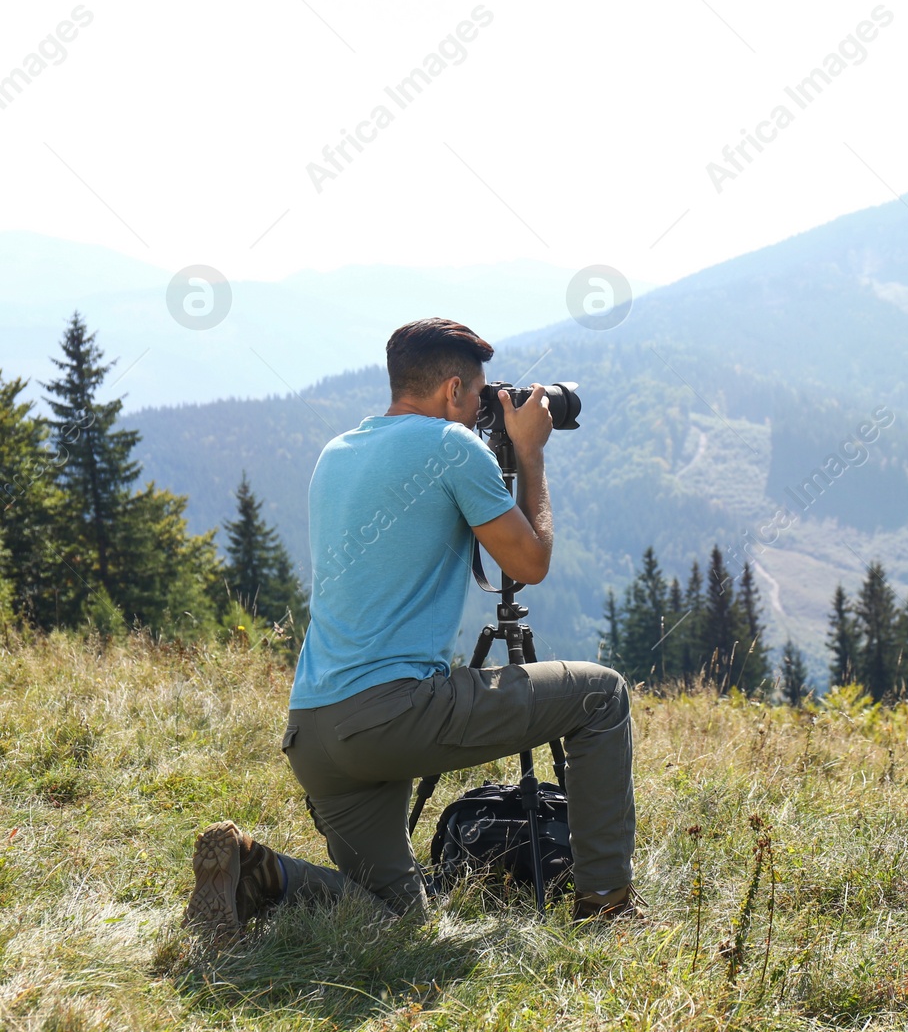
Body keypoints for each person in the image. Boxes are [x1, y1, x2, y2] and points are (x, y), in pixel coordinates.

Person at [183, 317, 640, 934]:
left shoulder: (337, 450)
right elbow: (530, 562)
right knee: (602, 694)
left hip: (314, 732)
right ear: (453, 390)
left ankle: (258, 871)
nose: (483, 408)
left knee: (396, 919)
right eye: (478, 395)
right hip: (389, 716)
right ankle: (607, 905)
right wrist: (528, 452)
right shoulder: (454, 448)